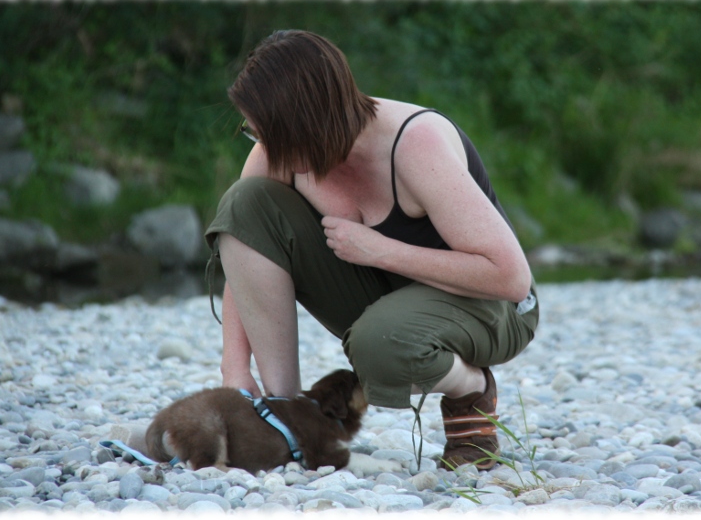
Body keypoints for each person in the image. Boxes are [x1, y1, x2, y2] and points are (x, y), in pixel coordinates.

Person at [204, 29, 539, 470]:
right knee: (243, 202)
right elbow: (247, 244)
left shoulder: (415, 145)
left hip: (491, 306)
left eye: (270, 132)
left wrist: (382, 251)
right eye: (255, 132)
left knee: (381, 344)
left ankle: (470, 389)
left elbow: (510, 278)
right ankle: (288, 416)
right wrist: (235, 371)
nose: (263, 144)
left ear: (310, 119)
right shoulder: (278, 151)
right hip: (392, 298)